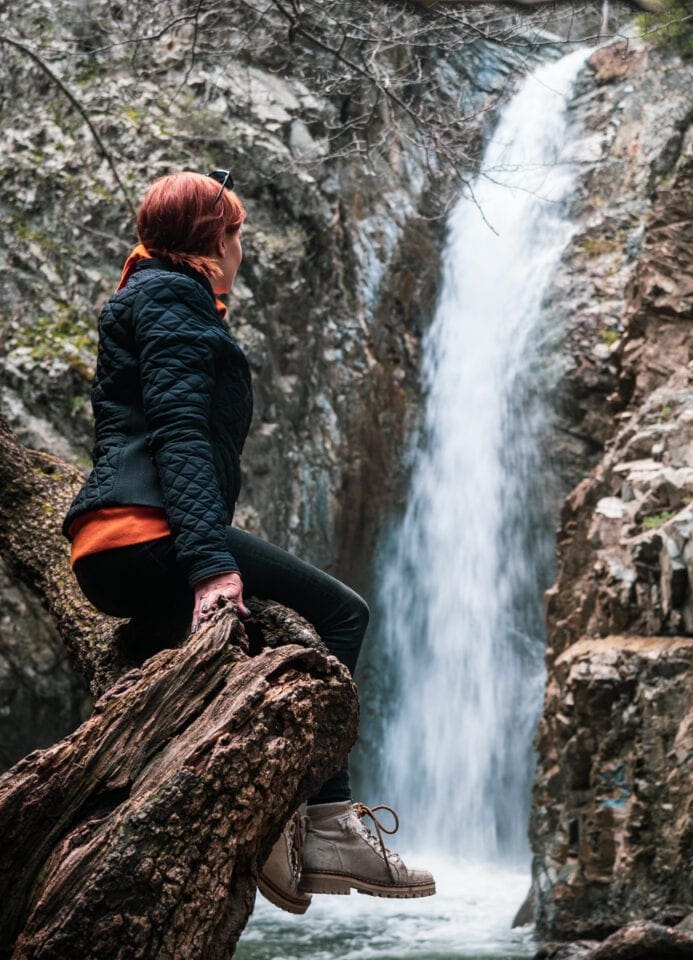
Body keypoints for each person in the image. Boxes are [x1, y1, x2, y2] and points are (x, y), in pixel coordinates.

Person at [62, 170, 436, 914]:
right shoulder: (172, 301)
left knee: (238, 656)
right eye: (235, 234)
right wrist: (209, 565)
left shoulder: (146, 296)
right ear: (215, 240)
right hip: (147, 533)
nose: (242, 250)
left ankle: (268, 824)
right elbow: (180, 435)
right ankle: (327, 824)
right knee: (342, 614)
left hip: (107, 545)